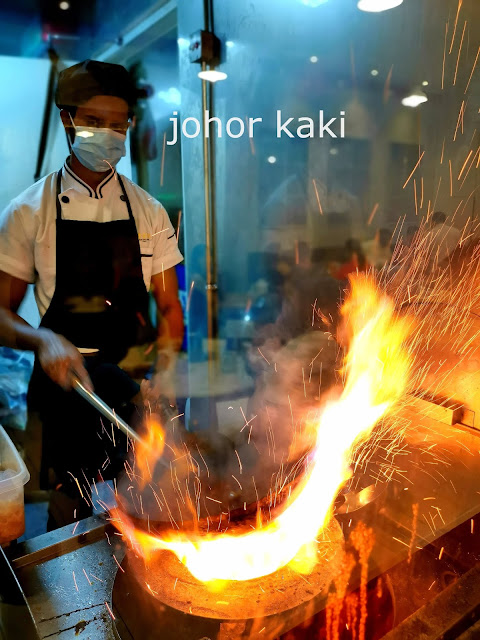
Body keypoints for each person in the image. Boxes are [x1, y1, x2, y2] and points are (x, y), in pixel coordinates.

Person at [0, 60, 184, 529]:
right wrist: (43, 341)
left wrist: (165, 372)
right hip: (69, 386)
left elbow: (168, 309)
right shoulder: (27, 212)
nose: (109, 135)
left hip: (131, 380)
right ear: (68, 120)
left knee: (146, 504)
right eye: (95, 123)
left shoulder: (148, 211)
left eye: (118, 126)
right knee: (74, 507)